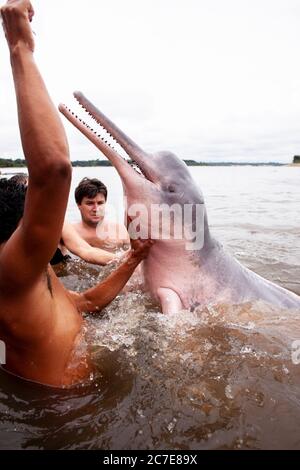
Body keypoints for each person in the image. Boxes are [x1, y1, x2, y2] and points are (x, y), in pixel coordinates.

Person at [0, 0, 153, 387]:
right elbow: (52, 170)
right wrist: (20, 46)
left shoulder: (36, 274)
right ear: (20, 227)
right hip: (63, 418)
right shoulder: (10, 273)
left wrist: (133, 259)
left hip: (77, 404)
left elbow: (85, 304)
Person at [60, 178, 130, 266]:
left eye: (100, 203)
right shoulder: (69, 233)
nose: (96, 209)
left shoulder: (119, 230)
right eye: (90, 203)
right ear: (78, 205)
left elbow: (134, 259)